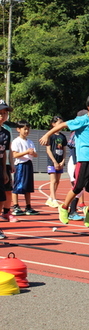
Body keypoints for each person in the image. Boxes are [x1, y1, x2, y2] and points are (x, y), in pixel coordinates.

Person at [39, 94, 89, 228]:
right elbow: (63, 125)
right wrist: (47, 134)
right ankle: (64, 207)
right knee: (78, 187)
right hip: (84, 158)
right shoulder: (81, 120)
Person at [11, 120, 39, 216]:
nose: (26, 131)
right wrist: (26, 152)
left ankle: (28, 206)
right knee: (17, 186)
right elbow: (15, 155)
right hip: (20, 165)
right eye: (24, 129)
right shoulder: (16, 141)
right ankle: (16, 206)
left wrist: (32, 153)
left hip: (28, 164)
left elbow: (35, 154)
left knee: (28, 187)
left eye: (28, 129)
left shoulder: (30, 142)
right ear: (18, 129)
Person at [45, 116, 67, 208]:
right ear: (53, 124)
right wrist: (54, 161)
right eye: (59, 123)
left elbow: (65, 149)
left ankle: (50, 198)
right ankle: (54, 199)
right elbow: (48, 150)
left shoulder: (63, 136)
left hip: (60, 161)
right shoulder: (50, 135)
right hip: (52, 161)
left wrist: (63, 161)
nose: (61, 124)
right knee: (53, 181)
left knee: (57, 181)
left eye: (62, 122)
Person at [0, 100, 13, 238]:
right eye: (0, 113)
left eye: (5, 113)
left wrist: (4, 171)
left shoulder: (6, 133)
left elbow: (4, 154)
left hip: (0, 167)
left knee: (1, 198)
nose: (2, 116)